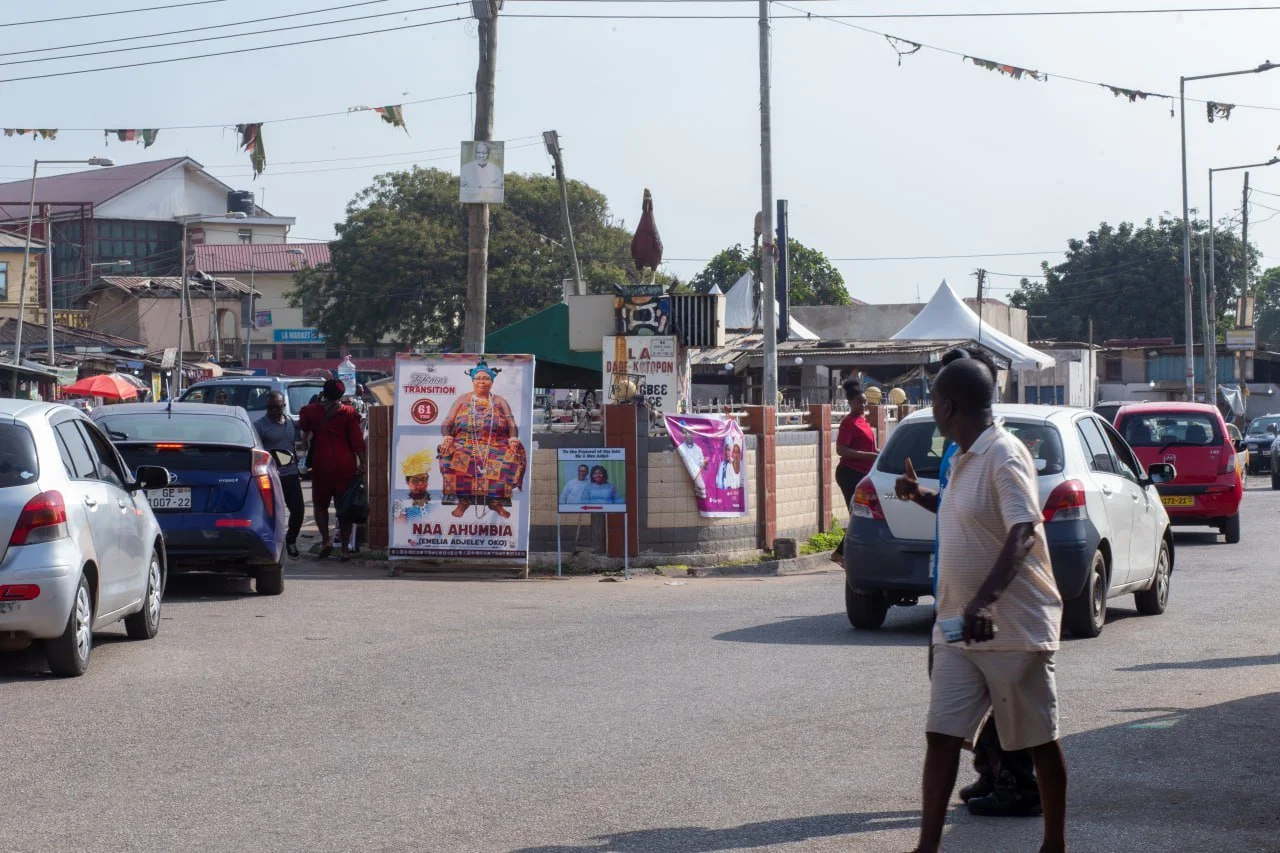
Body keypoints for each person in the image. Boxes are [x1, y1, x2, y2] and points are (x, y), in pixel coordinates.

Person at [897, 358, 1067, 853]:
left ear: (949, 406)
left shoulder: (1003, 454)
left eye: (933, 401)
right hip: (958, 629)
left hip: (1011, 628)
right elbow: (968, 513)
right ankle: (926, 847)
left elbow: (1023, 529)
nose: (932, 410)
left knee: (1038, 740)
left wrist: (985, 601)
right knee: (942, 736)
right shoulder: (966, 455)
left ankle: (1054, 844)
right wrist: (921, 495)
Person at [437, 359, 527, 519]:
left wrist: (513, 438)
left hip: (495, 444)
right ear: (472, 380)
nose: (482, 382)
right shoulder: (463, 399)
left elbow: (511, 423)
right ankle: (463, 500)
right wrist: (447, 437)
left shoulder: (499, 401)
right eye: (478, 378)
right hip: (464, 443)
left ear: (492, 381)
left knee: (509, 457)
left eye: (486, 378)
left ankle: (495, 501)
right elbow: (447, 422)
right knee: (450, 455)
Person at [299, 378, 366, 561]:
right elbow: (357, 442)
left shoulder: (311, 411)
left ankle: (326, 541)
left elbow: (304, 429)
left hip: (322, 465)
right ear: (342, 394)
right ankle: (344, 549)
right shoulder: (348, 412)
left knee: (320, 505)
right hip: (345, 465)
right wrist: (363, 463)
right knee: (344, 507)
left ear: (324, 392)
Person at [254, 392, 304, 559]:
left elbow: (291, 445)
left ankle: (290, 540)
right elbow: (255, 451)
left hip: (290, 474)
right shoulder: (259, 426)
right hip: (271, 476)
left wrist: (297, 462)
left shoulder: (289, 422)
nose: (273, 411)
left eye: (277, 407)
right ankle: (271, 543)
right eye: (270, 407)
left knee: (298, 510)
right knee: (272, 512)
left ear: (283, 406)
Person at [833, 378, 879, 563]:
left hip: (864, 474)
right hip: (849, 473)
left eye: (864, 401)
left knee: (865, 514)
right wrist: (870, 456)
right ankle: (841, 554)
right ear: (851, 402)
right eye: (859, 401)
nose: (863, 405)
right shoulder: (849, 423)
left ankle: (844, 553)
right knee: (858, 514)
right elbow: (841, 449)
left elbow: (870, 449)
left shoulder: (863, 421)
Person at [393, 449, 434, 523]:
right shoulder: (402, 504)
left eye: (424, 479)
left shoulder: (436, 503)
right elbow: (400, 528)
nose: (420, 484)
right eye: (415, 481)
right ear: (407, 482)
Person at [673, 422, 708, 499]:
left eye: (689, 432)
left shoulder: (698, 449)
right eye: (684, 433)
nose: (687, 435)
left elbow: (702, 465)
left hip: (697, 480)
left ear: (693, 434)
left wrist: (705, 464)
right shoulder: (680, 448)